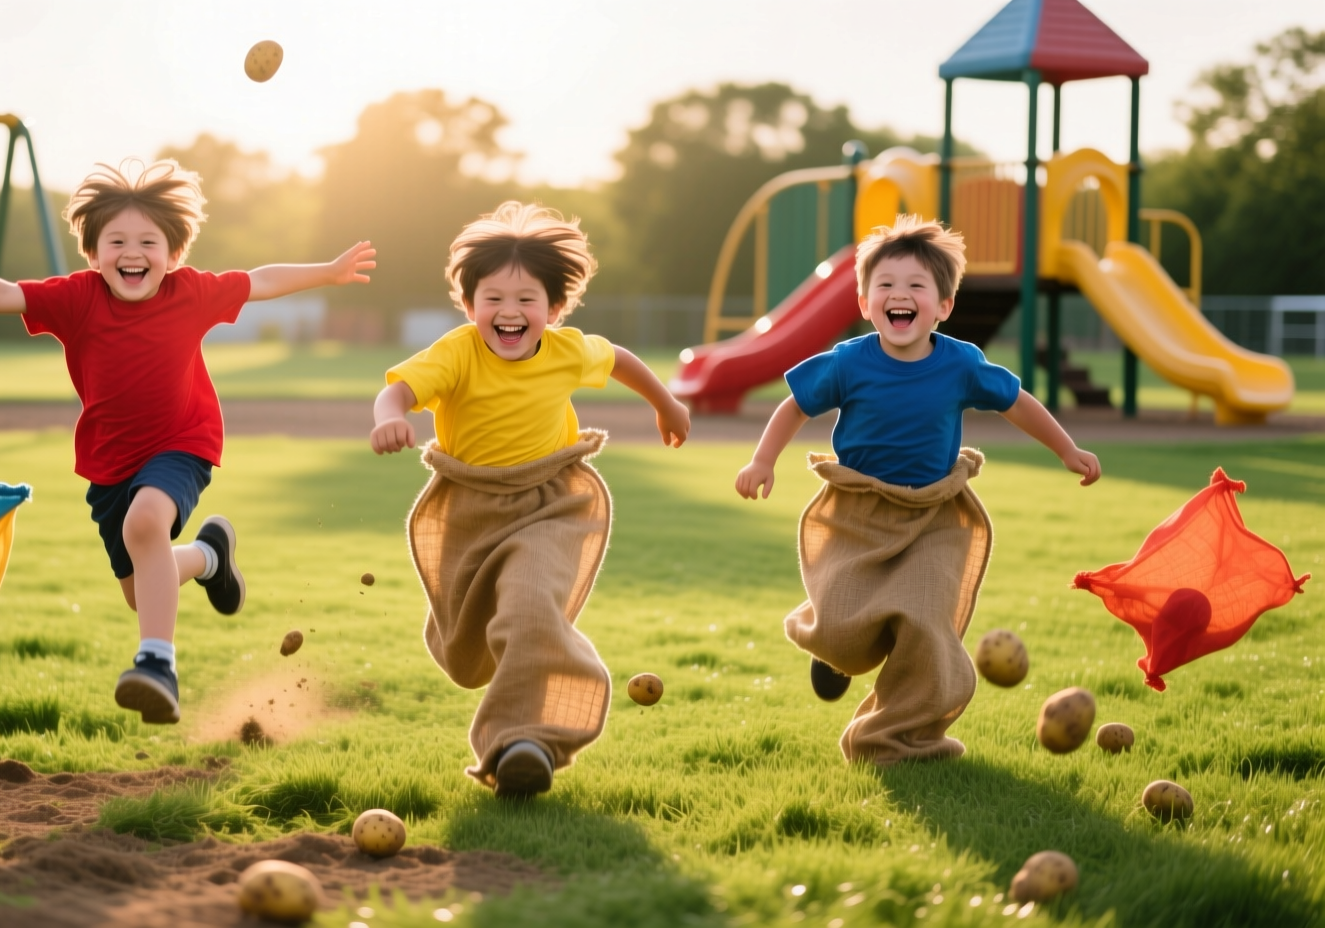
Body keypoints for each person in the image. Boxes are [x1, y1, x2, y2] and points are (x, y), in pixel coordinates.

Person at [0, 159, 375, 725]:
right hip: (110, 464)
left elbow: (261, 280)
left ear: (173, 254)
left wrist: (329, 272)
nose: (132, 252)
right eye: (116, 240)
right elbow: (6, 294)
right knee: (143, 591)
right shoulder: (78, 298)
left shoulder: (192, 292)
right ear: (93, 254)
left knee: (145, 526)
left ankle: (157, 664)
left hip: (183, 443)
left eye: (148, 241)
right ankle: (210, 557)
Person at [734, 214, 1100, 765]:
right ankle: (833, 654)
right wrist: (764, 460)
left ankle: (896, 739)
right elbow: (794, 405)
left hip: (934, 513)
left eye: (915, 287)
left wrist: (1066, 449)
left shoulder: (961, 363)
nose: (898, 295)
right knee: (841, 626)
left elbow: (1017, 401)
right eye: (884, 285)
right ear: (864, 302)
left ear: (943, 306)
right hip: (857, 507)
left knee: (926, 621)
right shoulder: (849, 362)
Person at [371, 201, 690, 797]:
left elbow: (618, 358)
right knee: (467, 657)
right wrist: (387, 417)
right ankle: (520, 716)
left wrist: (666, 404)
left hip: (552, 505)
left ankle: (522, 743)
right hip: (469, 506)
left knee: (527, 606)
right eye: (493, 299)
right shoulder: (457, 352)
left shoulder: (567, 350)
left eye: (526, 301)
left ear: (554, 308)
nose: (509, 313)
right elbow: (401, 391)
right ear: (469, 307)